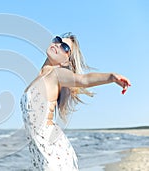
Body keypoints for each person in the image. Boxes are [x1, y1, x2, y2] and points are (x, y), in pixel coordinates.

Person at [20, 32, 131, 170]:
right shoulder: (39, 77)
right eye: (57, 40)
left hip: (51, 148)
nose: (58, 45)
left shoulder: (56, 74)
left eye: (65, 47)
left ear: (66, 61)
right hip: (38, 149)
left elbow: (83, 80)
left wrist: (111, 77)